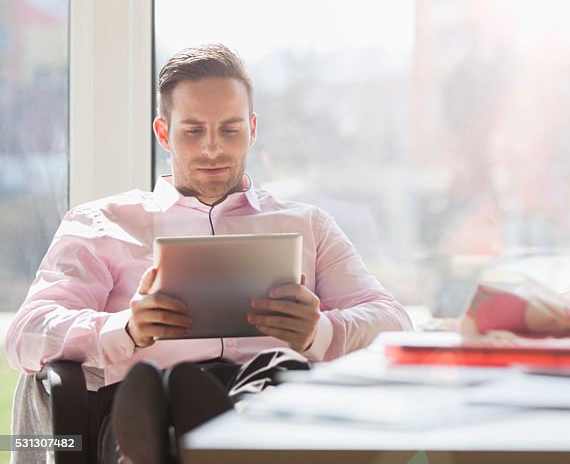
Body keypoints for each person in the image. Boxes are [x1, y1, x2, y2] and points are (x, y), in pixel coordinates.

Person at [4, 44, 413, 463]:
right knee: (164, 404)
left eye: (230, 130)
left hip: (275, 399)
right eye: (194, 130)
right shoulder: (100, 223)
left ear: (253, 129)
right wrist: (126, 328)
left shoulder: (308, 225)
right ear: (163, 133)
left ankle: (213, 430)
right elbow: (26, 335)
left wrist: (319, 332)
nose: (213, 148)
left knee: (274, 374)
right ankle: (194, 429)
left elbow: (394, 322)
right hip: (143, 412)